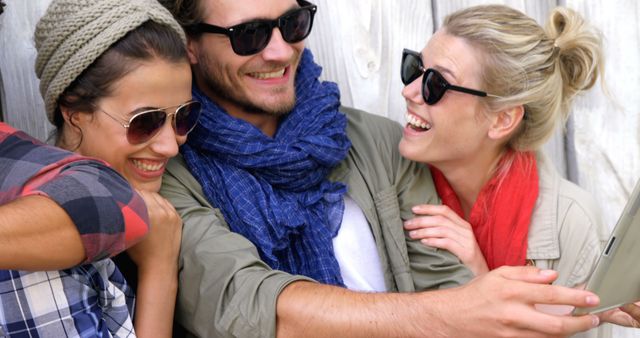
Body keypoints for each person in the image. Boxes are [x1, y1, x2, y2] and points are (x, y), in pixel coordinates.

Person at [157, 0, 607, 337]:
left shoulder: (374, 141)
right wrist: (455, 308)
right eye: (249, 35)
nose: (279, 52)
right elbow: (238, 302)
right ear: (190, 45)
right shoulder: (168, 167)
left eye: (292, 25)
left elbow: (444, 280)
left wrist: (486, 295)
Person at [398, 4, 639, 334]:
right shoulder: (392, 187)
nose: (409, 91)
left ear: (502, 120)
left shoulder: (570, 224)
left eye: (435, 84)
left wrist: (481, 279)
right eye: (415, 68)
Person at [0, 0, 199, 336]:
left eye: (185, 117)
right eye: (145, 122)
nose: (170, 145)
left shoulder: (183, 188)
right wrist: (159, 269)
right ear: (73, 111)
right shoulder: (41, 245)